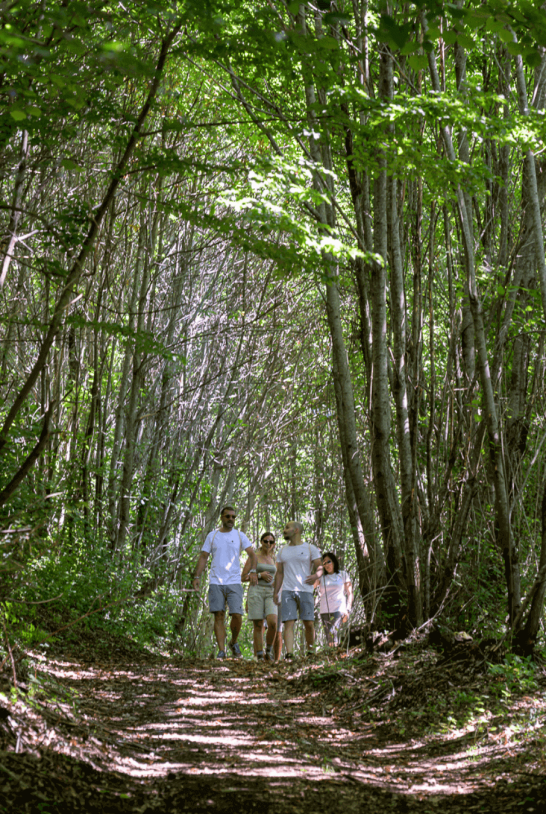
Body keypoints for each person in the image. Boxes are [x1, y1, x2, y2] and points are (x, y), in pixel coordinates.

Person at [193, 506, 257, 659]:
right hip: (216, 581)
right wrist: (196, 576)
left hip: (234, 581)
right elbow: (203, 556)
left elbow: (252, 555)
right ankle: (222, 651)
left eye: (233, 517)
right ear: (221, 518)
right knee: (219, 615)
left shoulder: (240, 535)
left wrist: (253, 571)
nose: (231, 519)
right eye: (228, 516)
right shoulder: (213, 536)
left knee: (237, 614)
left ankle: (233, 641)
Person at [273, 520, 322, 661]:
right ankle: (289, 654)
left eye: (287, 527)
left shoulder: (310, 548)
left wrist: (316, 575)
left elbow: (319, 566)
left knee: (309, 623)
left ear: (296, 530)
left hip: (305, 590)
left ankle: (311, 652)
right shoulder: (282, 551)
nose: (284, 530)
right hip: (287, 590)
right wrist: (276, 591)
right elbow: (279, 573)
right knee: (289, 623)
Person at [242, 532, 280, 662]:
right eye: (265, 541)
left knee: (273, 623)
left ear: (274, 544)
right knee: (258, 624)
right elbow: (243, 577)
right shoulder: (254, 557)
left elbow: (277, 576)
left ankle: (268, 651)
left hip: (270, 592)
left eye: (271, 542)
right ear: (261, 542)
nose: (268, 544)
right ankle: (259, 655)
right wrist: (259, 575)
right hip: (256, 591)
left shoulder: (274, 558)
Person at [316, 552, 353, 647]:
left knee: (333, 632)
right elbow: (309, 586)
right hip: (325, 610)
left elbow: (350, 593)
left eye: (328, 561)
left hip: (338, 608)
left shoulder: (343, 574)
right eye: (324, 563)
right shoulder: (321, 578)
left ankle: (335, 655)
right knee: (329, 636)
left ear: (334, 562)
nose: (326, 564)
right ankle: (333, 656)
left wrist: (348, 609)